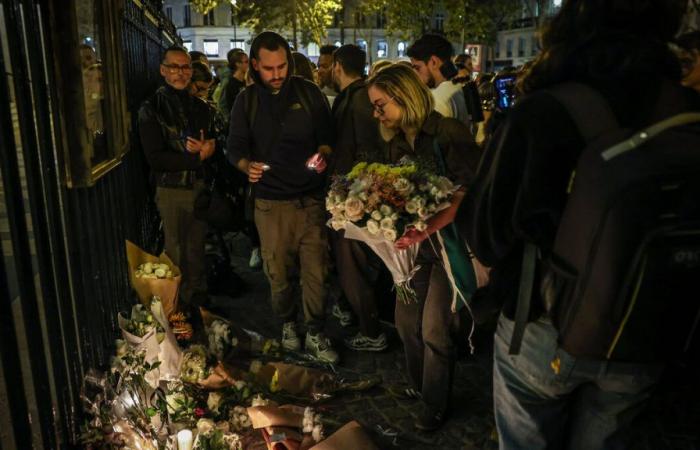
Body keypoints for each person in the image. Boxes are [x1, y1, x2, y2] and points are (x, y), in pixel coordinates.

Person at [457, 0, 694, 448]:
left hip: (547, 324)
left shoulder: (543, 112)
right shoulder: (684, 107)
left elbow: (486, 233)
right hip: (648, 324)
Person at [367, 64, 481, 431]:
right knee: (404, 322)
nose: (376, 113)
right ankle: (421, 387)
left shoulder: (448, 132)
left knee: (434, 328)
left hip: (449, 245)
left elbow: (465, 195)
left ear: (403, 97)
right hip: (416, 248)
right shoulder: (397, 140)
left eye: (380, 104)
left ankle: (434, 403)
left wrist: (425, 228)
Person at [227, 31, 339, 363]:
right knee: (278, 275)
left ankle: (316, 332)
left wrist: (322, 154)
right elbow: (234, 148)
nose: (277, 75)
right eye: (269, 68)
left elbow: (328, 137)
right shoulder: (245, 102)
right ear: (255, 65)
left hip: (310, 201)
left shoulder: (308, 92)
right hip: (270, 204)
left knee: (316, 273)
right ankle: (289, 325)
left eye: (282, 66)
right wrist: (247, 166)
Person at [138, 46, 216, 323]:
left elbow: (214, 138)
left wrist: (210, 147)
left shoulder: (200, 106)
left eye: (185, 67)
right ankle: (177, 309)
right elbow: (155, 158)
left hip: (198, 187)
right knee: (175, 251)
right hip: (171, 188)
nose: (181, 72)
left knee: (196, 248)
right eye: (174, 67)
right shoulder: (152, 108)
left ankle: (197, 304)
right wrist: (195, 159)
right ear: (162, 70)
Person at [328, 44, 388, 351]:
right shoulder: (368, 95)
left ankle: (370, 328)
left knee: (352, 263)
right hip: (369, 188)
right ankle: (364, 316)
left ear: (337, 65)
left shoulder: (353, 100)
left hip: (355, 193)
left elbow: (351, 150)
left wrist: (342, 195)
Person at [407, 34, 470, 127]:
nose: (415, 74)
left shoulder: (436, 100)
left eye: (417, 67)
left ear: (434, 62)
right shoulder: (462, 88)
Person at [453, 53, 484, 136]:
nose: (471, 68)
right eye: (469, 64)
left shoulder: (470, 85)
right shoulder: (456, 88)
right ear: (460, 66)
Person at [218, 48, 249, 123]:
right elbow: (227, 105)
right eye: (246, 62)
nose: (249, 64)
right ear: (238, 64)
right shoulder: (230, 83)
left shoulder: (246, 81)